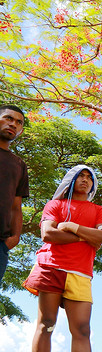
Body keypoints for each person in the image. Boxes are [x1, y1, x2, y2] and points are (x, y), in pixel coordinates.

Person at [23, 165, 102, 352]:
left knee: (82, 330)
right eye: (80, 176)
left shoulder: (99, 210)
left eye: (89, 177)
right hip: (50, 267)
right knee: (47, 324)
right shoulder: (55, 205)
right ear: (70, 180)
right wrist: (86, 237)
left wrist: (71, 227)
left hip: (81, 273)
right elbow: (48, 234)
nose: (85, 180)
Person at [0, 104, 29, 283]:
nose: (13, 124)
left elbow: (16, 206)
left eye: (18, 122)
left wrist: (14, 238)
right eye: (8, 118)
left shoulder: (19, 165)